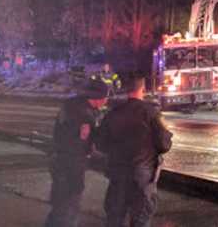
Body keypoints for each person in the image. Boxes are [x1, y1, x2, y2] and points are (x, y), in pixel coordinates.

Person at [97, 75, 173, 227]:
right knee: (140, 220)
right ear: (142, 90)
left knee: (114, 219)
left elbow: (101, 144)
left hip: (117, 175)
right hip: (142, 177)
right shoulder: (151, 113)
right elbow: (164, 145)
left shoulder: (113, 113)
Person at [45, 79, 109, 227]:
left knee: (60, 204)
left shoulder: (72, 105)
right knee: (69, 203)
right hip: (71, 162)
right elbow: (81, 141)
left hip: (59, 159)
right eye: (106, 97)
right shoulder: (84, 115)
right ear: (98, 98)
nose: (107, 100)